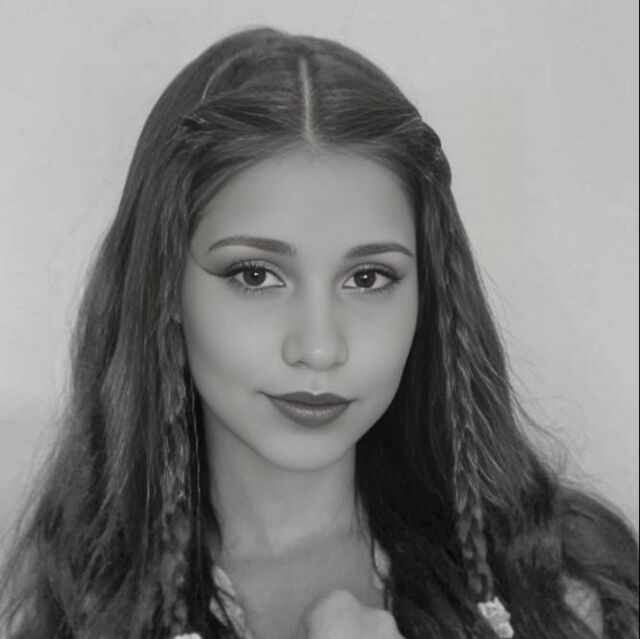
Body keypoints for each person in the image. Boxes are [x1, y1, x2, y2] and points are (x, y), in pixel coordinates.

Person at [0, 26, 637, 639]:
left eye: (368, 278)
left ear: (431, 295)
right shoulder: (74, 610)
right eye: (255, 275)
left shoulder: (559, 590)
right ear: (161, 287)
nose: (319, 347)